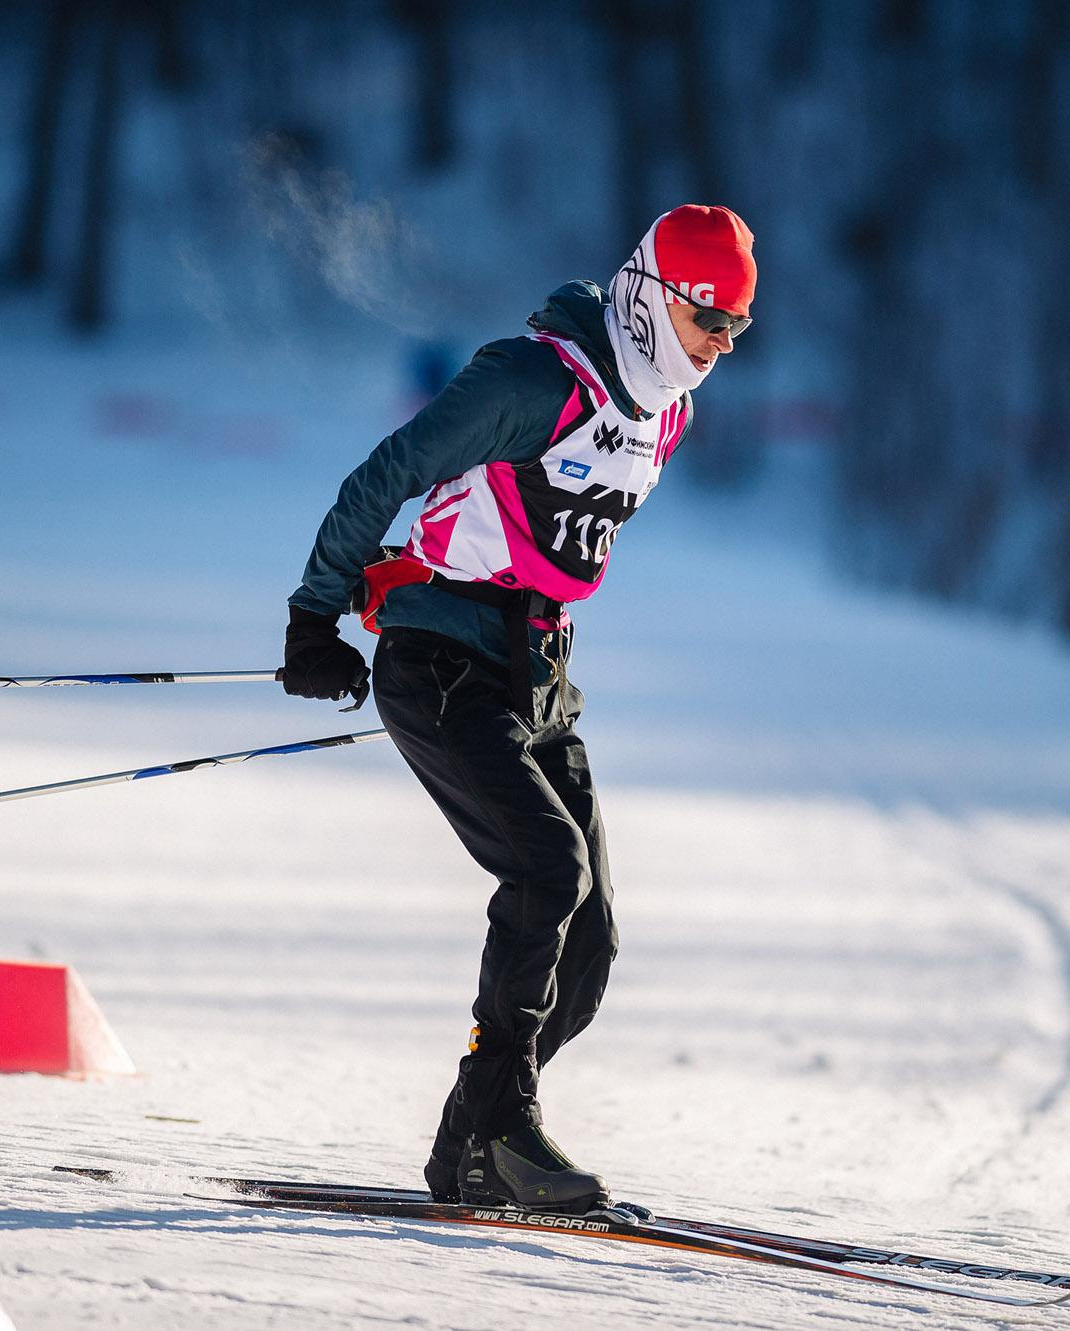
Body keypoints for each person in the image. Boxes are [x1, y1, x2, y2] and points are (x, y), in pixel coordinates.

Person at [282, 205, 756, 1213]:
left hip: (534, 673)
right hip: (441, 663)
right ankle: (498, 1132)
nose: (715, 344)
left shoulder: (664, 408)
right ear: (646, 295)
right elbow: (390, 472)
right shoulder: (530, 379)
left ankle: (474, 1133)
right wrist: (314, 614)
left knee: (587, 943)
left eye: (733, 328)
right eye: (704, 317)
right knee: (546, 867)